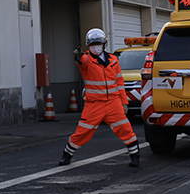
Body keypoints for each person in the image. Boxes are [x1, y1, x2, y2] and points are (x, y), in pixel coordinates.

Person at [59, 28, 140, 168]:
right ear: (88, 46)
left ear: (104, 44)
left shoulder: (113, 60)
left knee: (125, 129)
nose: (95, 47)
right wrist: (77, 56)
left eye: (98, 44)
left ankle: (135, 156)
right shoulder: (86, 59)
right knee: (83, 132)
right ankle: (67, 155)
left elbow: (120, 83)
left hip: (113, 103)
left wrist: (124, 103)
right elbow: (81, 61)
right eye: (92, 45)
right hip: (94, 104)